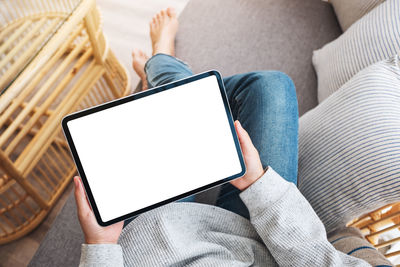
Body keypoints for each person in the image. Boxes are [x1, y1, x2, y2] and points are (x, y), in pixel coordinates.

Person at [76, 8, 371, 266]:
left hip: (155, 242)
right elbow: (316, 258)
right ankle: (164, 75)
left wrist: (101, 248)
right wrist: (259, 185)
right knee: (270, 87)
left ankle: (163, 66)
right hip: (254, 242)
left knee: (179, 108)